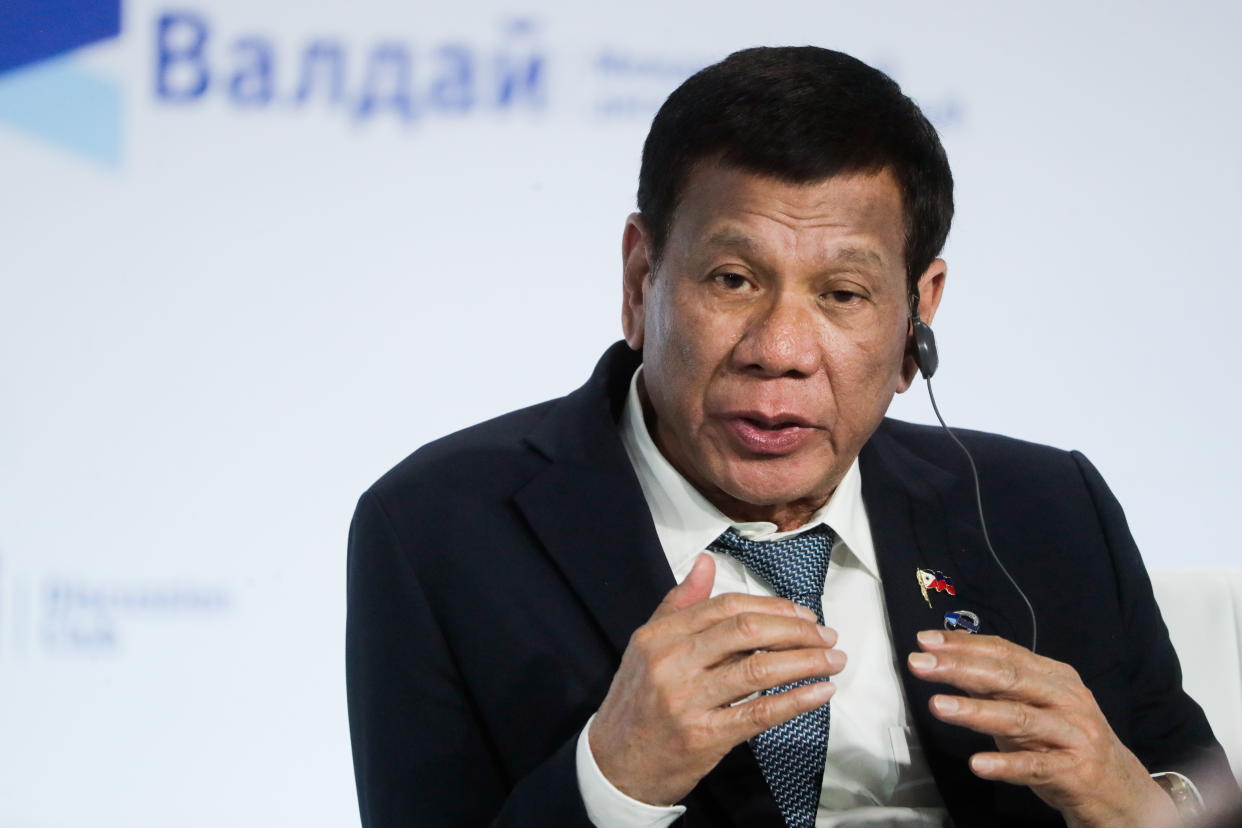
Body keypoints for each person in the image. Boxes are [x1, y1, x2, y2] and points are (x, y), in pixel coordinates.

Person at [345, 46, 1234, 827]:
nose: (779, 352)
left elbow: (1195, 791)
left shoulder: (1046, 507)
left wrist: (1135, 807)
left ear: (917, 316)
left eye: (843, 296)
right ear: (640, 279)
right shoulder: (442, 527)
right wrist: (612, 780)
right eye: (732, 279)